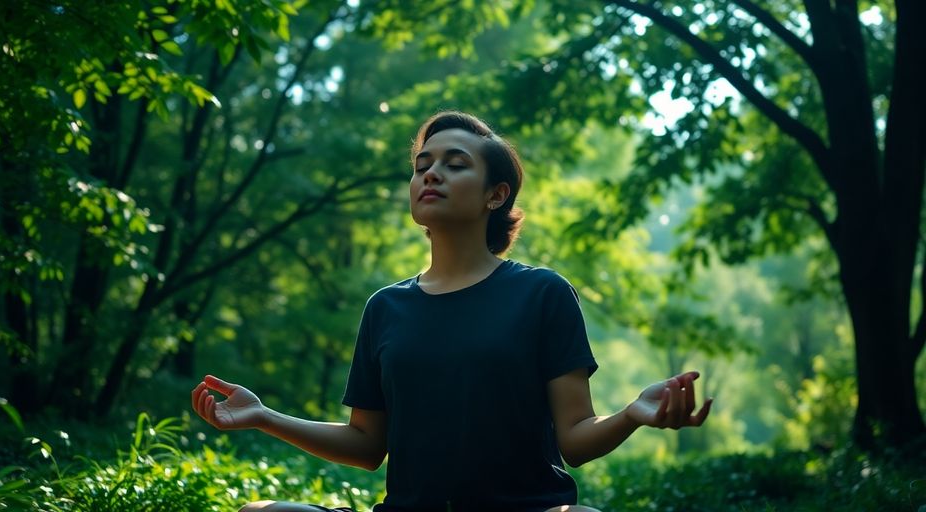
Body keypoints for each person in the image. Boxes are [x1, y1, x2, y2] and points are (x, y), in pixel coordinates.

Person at [191, 111, 713, 512]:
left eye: (455, 164)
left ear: (496, 195)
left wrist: (632, 415)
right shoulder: (386, 307)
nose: (431, 175)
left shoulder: (542, 294)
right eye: (423, 166)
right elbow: (368, 444)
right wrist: (263, 416)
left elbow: (574, 438)